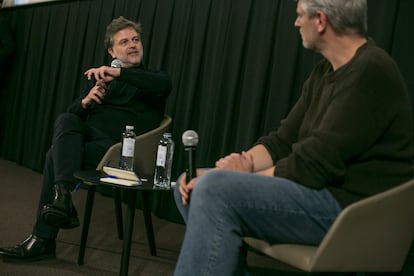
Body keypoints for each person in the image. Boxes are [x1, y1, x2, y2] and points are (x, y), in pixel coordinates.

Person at [173, 0, 414, 275]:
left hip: (354, 210)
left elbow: (312, 164)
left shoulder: (371, 70)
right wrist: (242, 163)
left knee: (214, 189)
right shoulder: (324, 72)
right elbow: (283, 141)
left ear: (320, 20)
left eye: (300, 15)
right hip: (320, 193)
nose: (296, 23)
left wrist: (236, 179)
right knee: (186, 185)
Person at [0, 16, 172, 262]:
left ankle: (44, 236)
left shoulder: (153, 79)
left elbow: (163, 83)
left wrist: (118, 72)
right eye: (124, 42)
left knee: (54, 155)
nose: (133, 45)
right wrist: (85, 102)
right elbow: (67, 125)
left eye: (136, 40)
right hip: (91, 147)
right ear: (111, 51)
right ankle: (62, 200)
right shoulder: (101, 81)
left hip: (122, 154)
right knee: (67, 119)